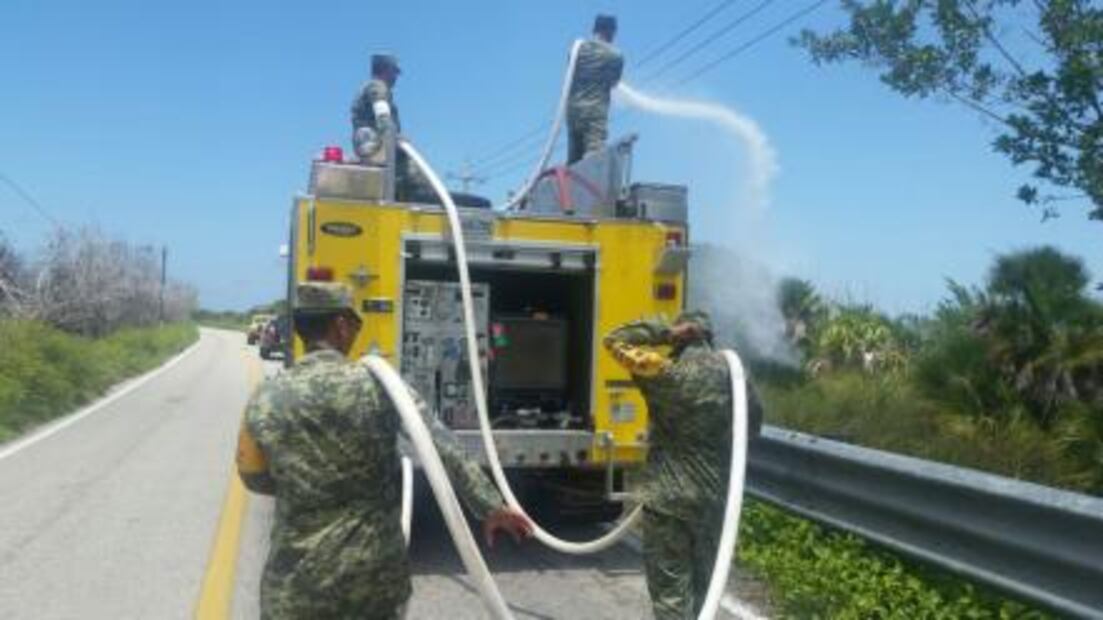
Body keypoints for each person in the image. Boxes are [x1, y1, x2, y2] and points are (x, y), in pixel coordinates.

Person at [236, 281, 533, 619]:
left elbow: (253, 477)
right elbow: (441, 444)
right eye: (355, 325)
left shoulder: (265, 398)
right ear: (341, 326)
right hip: (372, 579)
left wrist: (306, 483)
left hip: (295, 585)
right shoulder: (378, 385)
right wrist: (490, 506)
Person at [603, 311, 763, 620]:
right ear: (710, 337)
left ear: (683, 337)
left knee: (671, 598)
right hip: (713, 501)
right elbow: (752, 425)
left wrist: (666, 332)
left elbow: (614, 340)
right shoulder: (735, 375)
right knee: (706, 591)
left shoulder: (664, 372)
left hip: (667, 504)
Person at [350, 54, 433, 202]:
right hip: (380, 150)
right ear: (385, 70)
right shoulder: (377, 86)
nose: (396, 77)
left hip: (376, 151)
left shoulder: (368, 87)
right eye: (394, 72)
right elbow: (381, 111)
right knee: (420, 180)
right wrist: (392, 134)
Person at [566, 14, 625, 164]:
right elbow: (614, 83)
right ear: (610, 31)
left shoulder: (576, 50)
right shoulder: (615, 56)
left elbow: (571, 71)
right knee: (593, 159)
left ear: (595, 29)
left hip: (573, 112)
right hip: (595, 114)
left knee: (574, 161)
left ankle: (569, 186)